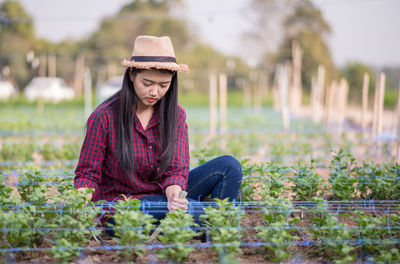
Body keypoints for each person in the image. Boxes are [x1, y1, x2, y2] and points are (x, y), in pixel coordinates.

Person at [74, 35, 242, 222]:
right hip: (125, 205)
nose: (155, 92)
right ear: (131, 75)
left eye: (163, 85)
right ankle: (211, 220)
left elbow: (177, 169)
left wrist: (174, 196)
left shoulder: (175, 115)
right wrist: (80, 207)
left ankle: (195, 219)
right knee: (171, 209)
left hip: (163, 196)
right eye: (147, 84)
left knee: (229, 166)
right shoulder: (104, 117)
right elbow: (88, 174)